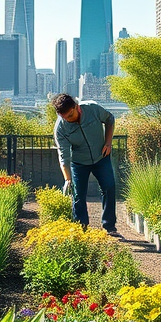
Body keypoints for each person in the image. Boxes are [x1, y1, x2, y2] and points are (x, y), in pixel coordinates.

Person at [52, 93, 120, 236]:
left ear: (76, 107)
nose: (68, 120)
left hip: (101, 156)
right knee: (78, 195)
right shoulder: (60, 128)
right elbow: (63, 155)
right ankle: (81, 229)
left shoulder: (92, 109)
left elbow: (110, 119)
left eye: (70, 115)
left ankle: (109, 226)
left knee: (109, 187)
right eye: (64, 118)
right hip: (79, 162)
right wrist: (68, 179)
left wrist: (108, 142)